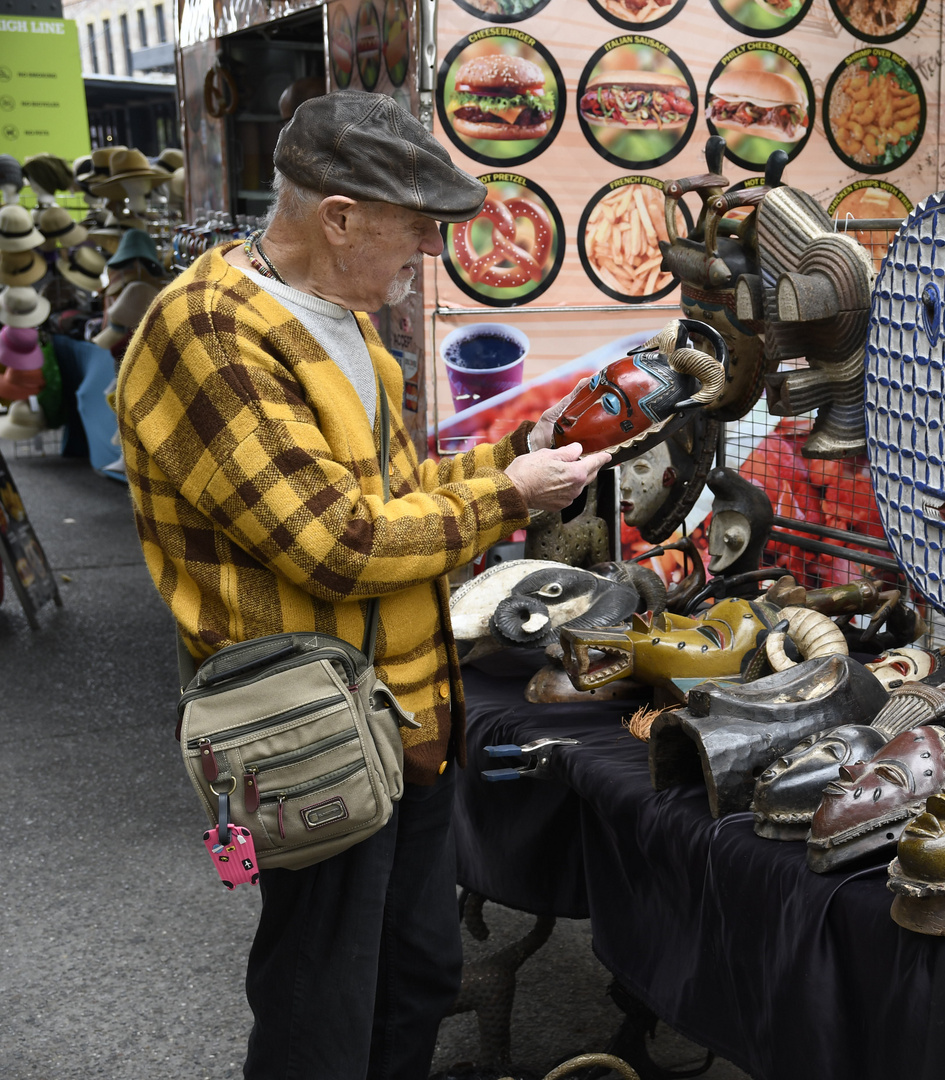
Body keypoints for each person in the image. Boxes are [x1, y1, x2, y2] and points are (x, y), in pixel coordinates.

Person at [114, 91, 610, 1079]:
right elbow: (334, 543)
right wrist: (504, 497)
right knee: (320, 1006)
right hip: (309, 731)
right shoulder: (210, 333)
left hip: (404, 723)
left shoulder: (342, 320)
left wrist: (516, 459)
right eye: (416, 222)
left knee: (416, 975)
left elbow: (389, 493)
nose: (429, 246)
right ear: (339, 215)